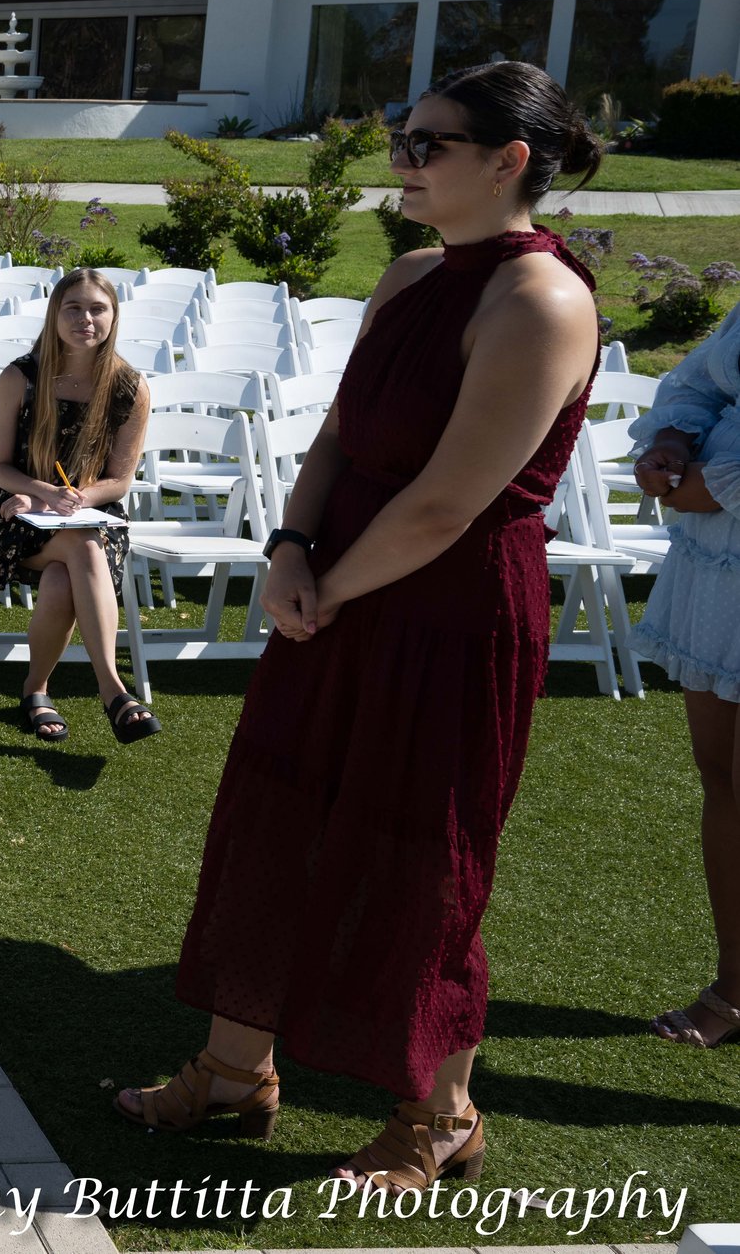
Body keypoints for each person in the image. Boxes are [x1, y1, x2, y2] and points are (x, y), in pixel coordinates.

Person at [115, 60, 603, 1194]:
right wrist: (290, 548)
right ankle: (236, 1071)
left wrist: (327, 586)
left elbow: (445, 503)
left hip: (449, 613)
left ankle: (441, 1115)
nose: (401, 159)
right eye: (400, 134)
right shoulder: (409, 276)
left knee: (422, 854)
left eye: (426, 143)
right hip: (336, 585)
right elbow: (338, 435)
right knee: (275, 819)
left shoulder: (541, 299)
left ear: (507, 161)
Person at [629, 301, 740, 1047]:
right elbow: (698, 382)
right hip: (716, 574)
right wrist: (671, 441)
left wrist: (695, 482)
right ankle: (736, 984)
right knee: (722, 779)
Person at [0, 270, 151, 745]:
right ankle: (113, 689)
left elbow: (119, 480)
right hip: (21, 512)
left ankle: (36, 689)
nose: (85, 319)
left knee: (67, 569)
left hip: (93, 514)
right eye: (72, 308)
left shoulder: (129, 388)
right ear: (55, 314)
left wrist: (80, 498)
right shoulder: (22, 376)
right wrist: (43, 492)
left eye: (97, 308)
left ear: (113, 317)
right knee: (83, 546)